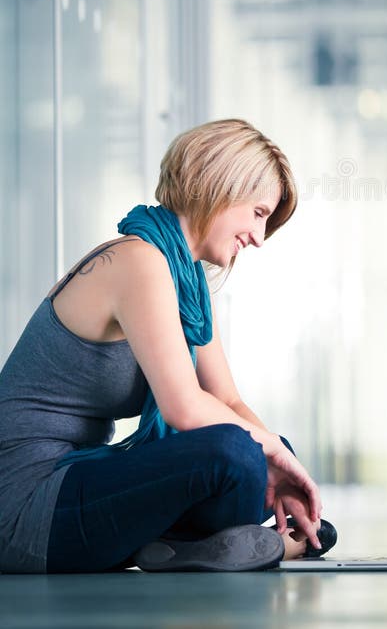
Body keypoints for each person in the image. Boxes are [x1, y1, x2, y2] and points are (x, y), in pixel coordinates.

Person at [0, 118, 336, 573]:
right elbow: (185, 409)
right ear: (222, 184)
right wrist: (269, 451)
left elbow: (226, 399)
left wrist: (285, 464)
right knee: (238, 452)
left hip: (80, 484)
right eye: (258, 213)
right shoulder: (137, 261)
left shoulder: (186, 280)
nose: (259, 238)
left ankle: (181, 549)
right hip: (27, 508)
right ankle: (227, 545)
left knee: (263, 459)